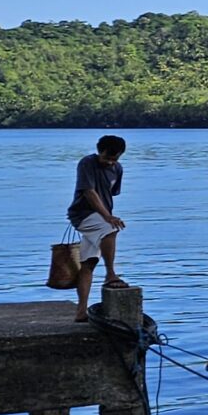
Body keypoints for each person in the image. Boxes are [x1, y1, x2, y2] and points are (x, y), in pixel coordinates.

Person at [67, 135, 128, 320]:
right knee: (110, 230)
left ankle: (81, 311)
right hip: (83, 214)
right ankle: (111, 274)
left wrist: (106, 215)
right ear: (99, 151)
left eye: (114, 159)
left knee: (88, 263)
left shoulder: (117, 169)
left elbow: (112, 193)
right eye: (107, 158)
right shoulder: (87, 163)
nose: (110, 162)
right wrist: (107, 216)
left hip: (100, 215)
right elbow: (89, 192)